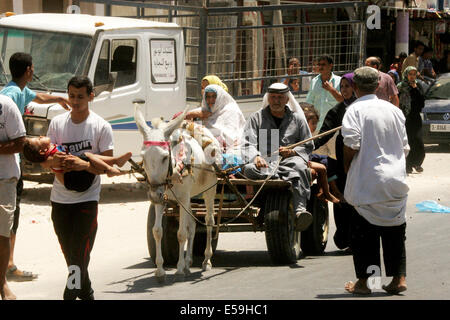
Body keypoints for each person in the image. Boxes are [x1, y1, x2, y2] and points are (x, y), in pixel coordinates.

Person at [40, 76, 114, 300]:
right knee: (72, 256)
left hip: (87, 200)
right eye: (71, 96)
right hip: (60, 201)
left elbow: (108, 165)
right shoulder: (57, 123)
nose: (75, 101)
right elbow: (46, 160)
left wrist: (84, 164)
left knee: (78, 255)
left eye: (80, 96)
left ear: (91, 96)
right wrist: (55, 165)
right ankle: (86, 290)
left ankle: (70, 293)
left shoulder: (101, 126)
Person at [0, 52, 70, 282]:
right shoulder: (10, 95)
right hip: (8, 166)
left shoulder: (19, 90)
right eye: (32, 68)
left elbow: (37, 96)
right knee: (10, 217)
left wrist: (57, 99)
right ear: (29, 70)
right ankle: (8, 266)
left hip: (12, 165)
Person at [342, 66, 409, 295]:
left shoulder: (355, 110)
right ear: (379, 85)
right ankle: (399, 279)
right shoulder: (394, 111)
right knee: (395, 229)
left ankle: (366, 283)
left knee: (364, 233)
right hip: (396, 179)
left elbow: (351, 143)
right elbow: (405, 147)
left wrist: (347, 165)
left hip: (369, 179)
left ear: (355, 87)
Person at [241, 82, 314, 231]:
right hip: (265, 163)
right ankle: (282, 177)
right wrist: (255, 157)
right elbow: (247, 143)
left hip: (290, 161)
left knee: (300, 167)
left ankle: (300, 211)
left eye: (280, 97)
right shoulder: (257, 118)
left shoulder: (298, 119)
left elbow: (308, 144)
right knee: (249, 169)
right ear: (268, 98)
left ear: (287, 100)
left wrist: (292, 151)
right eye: (273, 97)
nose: (276, 101)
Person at [313, 73, 357, 251]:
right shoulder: (337, 111)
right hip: (342, 159)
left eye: (348, 86)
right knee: (343, 199)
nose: (345, 90)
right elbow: (324, 134)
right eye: (343, 86)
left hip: (360, 159)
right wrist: (307, 148)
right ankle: (345, 236)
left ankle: (358, 238)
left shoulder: (362, 109)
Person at [23, 136, 131, 192]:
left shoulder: (50, 155)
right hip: (73, 180)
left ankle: (113, 164)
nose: (41, 136)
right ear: (42, 151)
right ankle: (110, 167)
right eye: (38, 139)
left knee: (87, 160)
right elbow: (46, 164)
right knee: (88, 156)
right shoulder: (53, 155)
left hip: (73, 182)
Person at [0, 94, 26, 300]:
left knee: (2, 235)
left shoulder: (6, 105)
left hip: (4, 179)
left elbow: (20, 143)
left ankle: (2, 284)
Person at [185, 84, 245, 154]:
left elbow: (231, 138)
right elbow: (182, 117)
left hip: (229, 152)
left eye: (214, 96)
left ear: (220, 97)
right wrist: (192, 114)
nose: (210, 100)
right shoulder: (205, 110)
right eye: (207, 97)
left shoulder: (231, 111)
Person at [301, 105, 339, 204]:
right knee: (322, 167)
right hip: (303, 160)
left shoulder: (307, 134)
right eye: (313, 123)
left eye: (316, 124)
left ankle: (332, 189)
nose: (315, 127)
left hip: (308, 158)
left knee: (328, 161)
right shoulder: (300, 132)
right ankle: (325, 192)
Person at [397, 66, 426, 174]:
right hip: (404, 117)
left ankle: (417, 163)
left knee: (418, 140)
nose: (412, 76)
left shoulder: (418, 86)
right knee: (406, 141)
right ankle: (407, 165)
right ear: (406, 75)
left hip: (415, 117)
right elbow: (396, 101)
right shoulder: (400, 86)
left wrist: (414, 89)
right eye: (410, 74)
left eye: (414, 74)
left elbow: (422, 102)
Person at [306, 55, 343, 133]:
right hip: (317, 127)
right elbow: (309, 102)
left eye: (323, 64)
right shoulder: (314, 81)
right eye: (319, 64)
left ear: (330, 65)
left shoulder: (339, 81)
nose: (320, 67)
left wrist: (331, 89)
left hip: (333, 127)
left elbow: (343, 100)